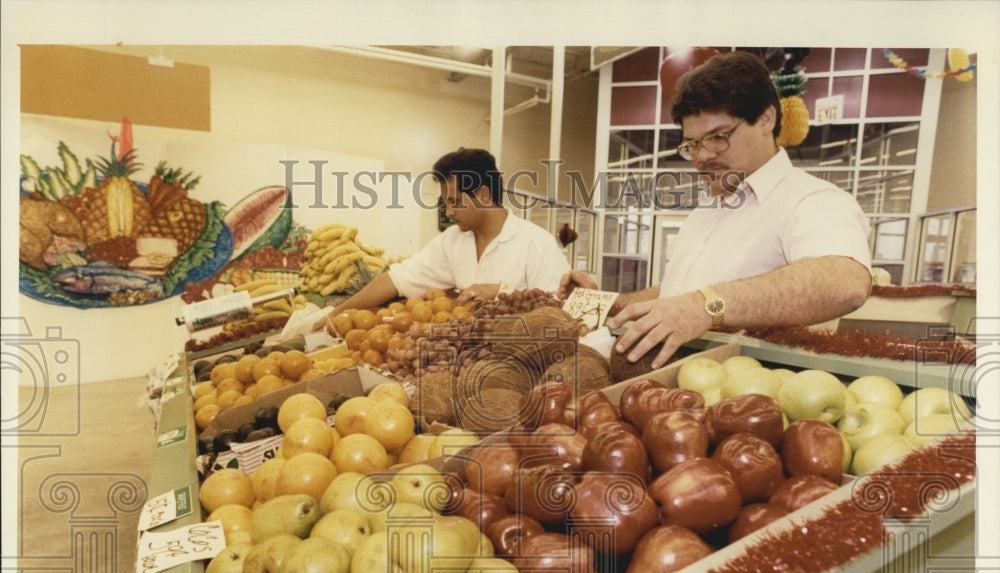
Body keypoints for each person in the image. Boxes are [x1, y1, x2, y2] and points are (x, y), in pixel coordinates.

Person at [561, 50, 872, 369]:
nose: (703, 156)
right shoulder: (707, 212)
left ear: (766, 119)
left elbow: (845, 284)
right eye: (692, 144)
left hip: (750, 404)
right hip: (672, 395)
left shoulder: (812, 200)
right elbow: (681, 296)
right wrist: (617, 304)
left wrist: (705, 305)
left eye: (719, 137)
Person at [327, 147, 570, 315]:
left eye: (455, 202)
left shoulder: (534, 243)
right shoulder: (452, 241)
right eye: (446, 203)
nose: (449, 212)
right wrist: (333, 314)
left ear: (483, 195)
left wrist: (502, 291)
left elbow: (563, 308)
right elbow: (395, 279)